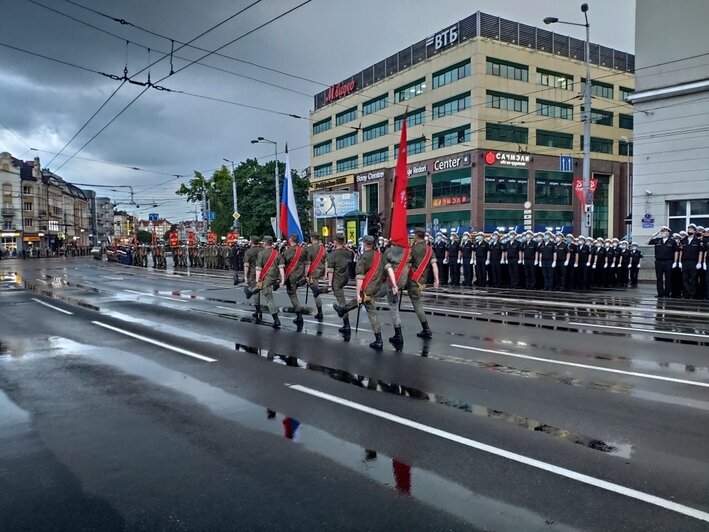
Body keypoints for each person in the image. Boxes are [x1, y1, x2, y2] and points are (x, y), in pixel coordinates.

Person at [333, 235, 397, 350]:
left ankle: (379, 340)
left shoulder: (363, 258)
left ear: (364, 244)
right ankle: (343, 309)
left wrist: (357, 293)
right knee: (362, 301)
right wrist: (394, 284)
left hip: (367, 289)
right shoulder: (380, 256)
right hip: (377, 287)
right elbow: (390, 269)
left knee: (371, 312)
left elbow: (359, 278)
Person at [405, 227, 440, 339]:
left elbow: (406, 264)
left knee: (417, 305)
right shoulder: (430, 249)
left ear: (416, 235)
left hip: (413, 280)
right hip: (422, 281)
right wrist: (436, 280)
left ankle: (426, 329)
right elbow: (434, 265)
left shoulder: (413, 249)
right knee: (417, 304)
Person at [253, 235, 285, 328]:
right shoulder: (277, 254)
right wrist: (282, 280)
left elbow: (258, 269)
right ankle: (251, 292)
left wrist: (257, 281)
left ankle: (276, 320)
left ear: (265, 243)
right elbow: (281, 268)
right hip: (274, 278)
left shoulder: (261, 254)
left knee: (269, 299)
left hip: (265, 279)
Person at [383, 242, 411, 347]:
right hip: (403, 281)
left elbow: (384, 265)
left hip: (391, 282)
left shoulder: (389, 252)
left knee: (393, 307)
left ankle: (398, 334)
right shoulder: (407, 252)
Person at [326, 234, 353, 334]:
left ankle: (346, 324)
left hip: (337, 280)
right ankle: (318, 290)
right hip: (345, 278)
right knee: (340, 297)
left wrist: (329, 284)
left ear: (335, 242)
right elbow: (353, 253)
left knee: (342, 302)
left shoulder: (332, 254)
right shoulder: (348, 253)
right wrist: (345, 247)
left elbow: (331, 271)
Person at [647, 226, 678, 298]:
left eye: (664, 231)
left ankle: (667, 293)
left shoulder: (672, 241)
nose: (663, 233)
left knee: (668, 278)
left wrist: (675, 262)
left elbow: (676, 252)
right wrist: (653, 235)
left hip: (669, 261)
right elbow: (647, 242)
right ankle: (660, 293)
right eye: (662, 231)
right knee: (659, 278)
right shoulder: (658, 240)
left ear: (668, 233)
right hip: (659, 262)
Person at [282, 234, 307, 324]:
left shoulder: (287, 252)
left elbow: (283, 265)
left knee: (293, 296)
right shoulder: (303, 250)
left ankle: (299, 316)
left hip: (291, 276)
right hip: (301, 276)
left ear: (290, 240)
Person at [304, 234, 327, 320]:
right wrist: (325, 273)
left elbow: (308, 264)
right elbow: (326, 262)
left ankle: (320, 311)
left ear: (311, 238)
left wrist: (306, 275)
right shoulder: (323, 248)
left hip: (312, 273)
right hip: (321, 271)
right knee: (315, 289)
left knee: (315, 292)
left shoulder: (309, 249)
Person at [679, 223, 702, 299]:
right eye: (688, 229)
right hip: (685, 262)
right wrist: (679, 261)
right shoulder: (683, 240)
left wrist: (699, 262)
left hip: (693, 262)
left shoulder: (698, 241)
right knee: (684, 279)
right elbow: (681, 251)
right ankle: (687, 293)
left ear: (695, 231)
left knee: (693, 279)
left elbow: (700, 252)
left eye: (691, 229)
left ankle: (692, 294)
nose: (689, 231)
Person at [243, 236, 263, 319]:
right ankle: (258, 311)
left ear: (251, 242)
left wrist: (245, 276)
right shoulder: (263, 250)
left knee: (256, 291)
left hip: (253, 273)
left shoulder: (249, 251)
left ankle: (258, 310)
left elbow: (246, 265)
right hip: (263, 273)